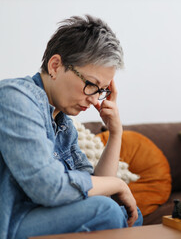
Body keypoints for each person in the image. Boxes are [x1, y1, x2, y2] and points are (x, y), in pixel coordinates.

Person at [0, 15, 143, 239]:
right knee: (107, 212)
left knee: (128, 212)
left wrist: (115, 133)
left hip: (41, 215)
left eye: (102, 90)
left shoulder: (64, 123)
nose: (96, 100)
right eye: (91, 85)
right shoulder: (15, 97)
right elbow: (48, 188)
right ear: (55, 66)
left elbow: (98, 191)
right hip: (12, 220)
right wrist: (117, 184)